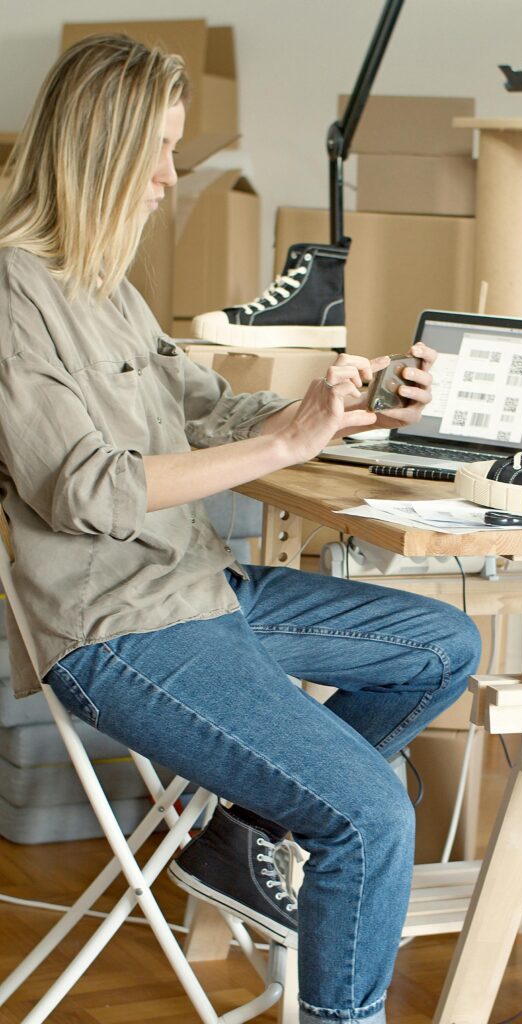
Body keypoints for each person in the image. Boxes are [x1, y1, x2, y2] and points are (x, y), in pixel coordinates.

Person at [0, 35, 480, 1024]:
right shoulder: (14, 292)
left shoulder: (106, 288)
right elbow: (87, 490)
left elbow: (208, 408)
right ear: (97, 151)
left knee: (441, 642)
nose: (169, 178)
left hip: (204, 590)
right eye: (158, 153)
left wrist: (343, 407)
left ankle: (238, 831)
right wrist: (283, 445)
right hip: (120, 631)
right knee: (367, 813)